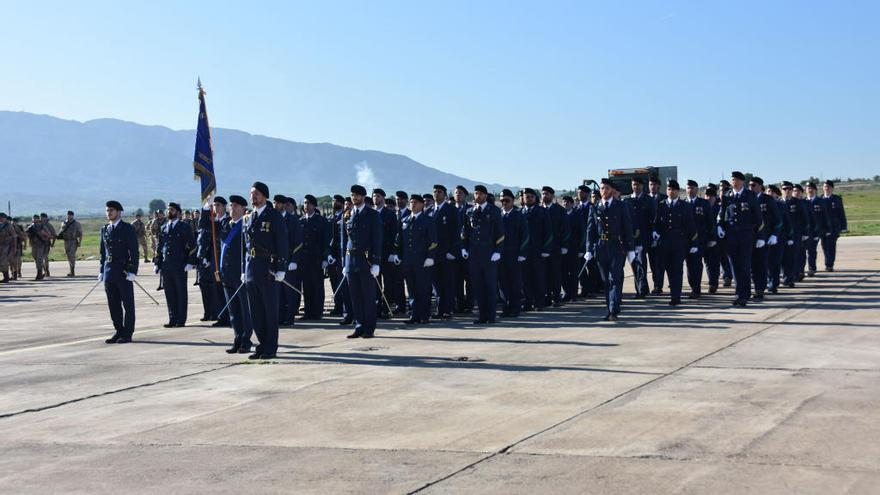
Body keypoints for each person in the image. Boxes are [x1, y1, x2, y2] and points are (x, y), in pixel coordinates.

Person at [243, 182, 289, 359]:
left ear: (264, 196)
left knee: (269, 311)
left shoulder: (274, 216)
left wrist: (281, 268)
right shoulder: (248, 217)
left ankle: (271, 346)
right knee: (256, 311)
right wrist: (243, 269)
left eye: (256, 194)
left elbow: (282, 242)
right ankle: (262, 344)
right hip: (251, 269)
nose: (253, 196)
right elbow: (244, 246)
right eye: (251, 193)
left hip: (268, 269)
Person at [585, 179, 635, 320]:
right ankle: (611, 307)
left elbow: (627, 227)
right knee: (606, 280)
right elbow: (590, 230)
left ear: (612, 190)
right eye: (602, 188)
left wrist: (630, 249)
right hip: (601, 247)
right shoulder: (594, 208)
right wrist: (589, 249)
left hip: (616, 246)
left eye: (606, 188)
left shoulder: (620, 206)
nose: (604, 191)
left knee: (614, 278)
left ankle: (613, 309)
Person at [717, 171, 763, 306]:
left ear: (742, 182)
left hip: (746, 236)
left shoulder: (750, 195)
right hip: (731, 236)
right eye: (732, 180)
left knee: (744, 265)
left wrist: (760, 236)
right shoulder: (727, 196)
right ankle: (739, 293)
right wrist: (720, 226)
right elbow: (721, 213)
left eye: (736, 180)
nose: (734, 182)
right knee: (734, 266)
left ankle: (744, 294)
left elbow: (758, 217)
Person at [344, 184, 383, 338]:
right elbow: (344, 241)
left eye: (357, 195)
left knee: (367, 296)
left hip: (366, 261)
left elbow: (377, 239)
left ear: (363, 197)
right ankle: (359, 325)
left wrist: (376, 262)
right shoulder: (348, 214)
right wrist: (344, 262)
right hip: (351, 261)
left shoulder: (372, 215)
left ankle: (369, 327)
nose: (354, 198)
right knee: (355, 297)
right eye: (352, 195)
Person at [461, 185, 504, 324]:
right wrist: (464, 248)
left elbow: (500, 233)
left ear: (485, 196)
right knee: (478, 286)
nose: (477, 196)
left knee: (490, 285)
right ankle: (482, 315)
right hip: (474, 254)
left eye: (480, 194)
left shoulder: (494, 211)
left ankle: (491, 316)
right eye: (476, 194)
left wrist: (498, 251)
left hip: (489, 253)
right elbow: (464, 233)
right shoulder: (469, 211)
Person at [391, 194, 437, 325]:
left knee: (423, 288)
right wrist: (397, 254)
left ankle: (424, 315)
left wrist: (430, 257)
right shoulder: (405, 220)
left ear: (422, 205)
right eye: (411, 202)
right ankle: (414, 314)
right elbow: (398, 240)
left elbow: (433, 241)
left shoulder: (428, 220)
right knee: (411, 289)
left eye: (416, 202)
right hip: (408, 260)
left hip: (422, 260)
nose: (413, 204)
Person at [99, 200, 139, 344]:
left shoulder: (127, 228)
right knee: (113, 304)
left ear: (119, 212)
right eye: (107, 210)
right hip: (109, 272)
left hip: (123, 272)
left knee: (128, 305)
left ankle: (128, 333)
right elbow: (103, 253)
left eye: (111, 210)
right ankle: (119, 330)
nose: (108, 213)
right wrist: (101, 271)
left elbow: (134, 251)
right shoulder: (104, 229)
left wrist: (133, 270)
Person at [654, 180, 697, 306]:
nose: (670, 192)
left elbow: (691, 225)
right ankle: (673, 292)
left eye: (673, 189)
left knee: (677, 269)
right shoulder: (661, 205)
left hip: (679, 243)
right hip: (665, 243)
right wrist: (655, 231)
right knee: (668, 269)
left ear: (677, 191)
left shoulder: (684, 205)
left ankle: (676, 296)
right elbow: (657, 222)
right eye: (668, 189)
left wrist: (694, 243)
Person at [219, 195, 253, 354]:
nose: (231, 208)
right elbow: (206, 225)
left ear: (242, 208)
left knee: (245, 310)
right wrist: (207, 207)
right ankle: (237, 338)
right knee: (233, 312)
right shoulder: (225, 224)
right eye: (230, 205)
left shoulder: (247, 224)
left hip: (241, 274)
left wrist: (247, 271)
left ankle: (246, 341)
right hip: (226, 274)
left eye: (234, 206)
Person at [154, 202, 196, 327]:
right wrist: (157, 263)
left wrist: (190, 262)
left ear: (178, 212)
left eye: (171, 210)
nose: (168, 212)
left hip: (179, 264)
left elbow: (193, 246)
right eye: (168, 210)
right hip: (167, 265)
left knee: (180, 293)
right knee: (169, 293)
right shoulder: (164, 227)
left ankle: (181, 320)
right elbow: (160, 247)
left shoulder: (184, 227)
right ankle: (172, 318)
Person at [197, 196, 230, 326]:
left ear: (224, 207)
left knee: (226, 291)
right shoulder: (214, 222)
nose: (216, 208)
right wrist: (206, 207)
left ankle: (229, 317)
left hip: (226, 262)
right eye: (214, 205)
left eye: (218, 205)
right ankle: (221, 317)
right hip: (216, 262)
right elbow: (201, 224)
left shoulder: (228, 221)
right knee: (217, 291)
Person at [299, 194, 330, 320]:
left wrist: (325, 258)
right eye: (305, 203)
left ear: (314, 205)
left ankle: (317, 311)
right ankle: (308, 311)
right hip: (304, 259)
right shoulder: (300, 221)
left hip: (317, 258)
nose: (306, 205)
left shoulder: (321, 221)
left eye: (309, 203)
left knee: (317, 286)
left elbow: (326, 241)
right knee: (306, 286)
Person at [431, 184, 459, 319]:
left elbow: (456, 232)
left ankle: (448, 309)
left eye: (439, 192)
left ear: (445, 194)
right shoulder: (429, 210)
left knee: (447, 282)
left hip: (447, 253)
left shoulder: (451, 210)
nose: (437, 194)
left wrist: (453, 251)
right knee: (436, 283)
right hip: (434, 254)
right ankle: (439, 309)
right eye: (435, 192)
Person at [749, 177, 780, 300]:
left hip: (764, 238)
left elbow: (778, 221)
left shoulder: (768, 200)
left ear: (760, 186)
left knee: (761, 265)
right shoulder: (748, 199)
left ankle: (760, 289)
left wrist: (774, 235)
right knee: (750, 265)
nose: (751, 187)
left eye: (753, 185)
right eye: (749, 185)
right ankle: (755, 287)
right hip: (749, 238)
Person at [499, 189, 528, 317]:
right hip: (500, 254)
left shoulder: (518, 215)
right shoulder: (497, 215)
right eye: (502, 201)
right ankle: (506, 307)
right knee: (502, 282)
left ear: (512, 201)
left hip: (514, 253)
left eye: (507, 200)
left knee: (515, 282)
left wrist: (522, 252)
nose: (504, 203)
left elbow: (525, 235)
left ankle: (515, 307)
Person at [521, 188, 551, 311]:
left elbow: (548, 232)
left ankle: (539, 303)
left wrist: (546, 249)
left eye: (531, 197)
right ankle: (528, 302)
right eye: (526, 196)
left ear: (535, 198)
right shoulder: (520, 212)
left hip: (538, 251)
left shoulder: (542, 212)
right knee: (525, 278)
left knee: (538, 278)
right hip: (524, 252)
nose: (528, 199)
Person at [623, 178, 654, 298]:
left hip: (643, 237)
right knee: (634, 264)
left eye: (637, 185)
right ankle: (641, 288)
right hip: (630, 238)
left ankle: (641, 290)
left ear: (642, 186)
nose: (635, 187)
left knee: (641, 264)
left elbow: (652, 219)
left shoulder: (648, 200)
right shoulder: (627, 201)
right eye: (633, 185)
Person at [541, 186, 569, 307]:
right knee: (544, 273)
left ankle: (556, 296)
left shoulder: (559, 210)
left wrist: (564, 245)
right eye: (542, 194)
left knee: (555, 273)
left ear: (552, 196)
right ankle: (546, 296)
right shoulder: (539, 210)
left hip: (555, 247)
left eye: (546, 194)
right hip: (541, 248)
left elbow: (566, 229)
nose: (544, 196)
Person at [684, 180, 712, 299]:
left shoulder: (704, 203)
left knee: (697, 264)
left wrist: (712, 237)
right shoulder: (683, 203)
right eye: (688, 188)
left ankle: (696, 288)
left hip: (700, 239)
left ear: (696, 189)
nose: (689, 190)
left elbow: (710, 222)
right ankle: (693, 286)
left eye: (692, 188)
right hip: (685, 240)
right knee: (689, 265)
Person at [277, 196, 302, 326]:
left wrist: (294, 260)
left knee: (289, 291)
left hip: (289, 260)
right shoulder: (274, 219)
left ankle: (290, 316)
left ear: (284, 205)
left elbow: (298, 242)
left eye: (278, 203)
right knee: (279, 292)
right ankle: (280, 316)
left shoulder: (292, 220)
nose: (276, 205)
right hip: (277, 262)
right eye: (274, 203)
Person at [453, 185, 474, 313]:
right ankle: (459, 305)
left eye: (460, 193)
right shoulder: (450, 210)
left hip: (468, 251)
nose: (458, 195)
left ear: (465, 195)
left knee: (470, 280)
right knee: (456, 280)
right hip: (454, 251)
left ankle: (469, 304)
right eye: (456, 193)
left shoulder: (470, 209)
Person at [766, 185, 789, 293]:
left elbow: (785, 222)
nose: (769, 193)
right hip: (765, 237)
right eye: (768, 191)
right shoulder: (764, 204)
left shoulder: (780, 205)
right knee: (765, 262)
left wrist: (789, 237)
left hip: (778, 237)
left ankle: (773, 284)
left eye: (771, 191)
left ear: (776, 194)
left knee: (775, 262)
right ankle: (767, 281)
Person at [804, 182, 831, 277]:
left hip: (817, 230)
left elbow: (826, 216)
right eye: (808, 188)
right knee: (804, 250)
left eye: (811, 188)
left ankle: (812, 268)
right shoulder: (803, 202)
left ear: (815, 190)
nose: (809, 190)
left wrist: (827, 229)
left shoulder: (820, 201)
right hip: (805, 230)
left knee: (812, 249)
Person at [561, 195, 585, 302]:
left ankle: (573, 293)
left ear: (571, 204)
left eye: (567, 202)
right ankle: (567, 292)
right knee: (564, 272)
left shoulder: (577, 215)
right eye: (564, 202)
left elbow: (582, 233)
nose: (565, 204)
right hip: (563, 248)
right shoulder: (561, 215)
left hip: (574, 248)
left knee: (574, 272)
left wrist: (581, 249)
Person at [820, 180, 847, 271]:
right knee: (824, 245)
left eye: (828, 187)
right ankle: (828, 261)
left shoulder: (837, 199)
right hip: (823, 227)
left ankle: (829, 264)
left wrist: (844, 226)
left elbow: (841, 213)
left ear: (832, 188)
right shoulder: (820, 199)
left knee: (831, 245)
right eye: (825, 187)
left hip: (834, 227)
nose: (826, 188)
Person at [646, 176, 667, 295]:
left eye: (654, 185)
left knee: (660, 263)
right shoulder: (645, 198)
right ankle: (655, 284)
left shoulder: (663, 198)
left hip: (661, 236)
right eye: (650, 184)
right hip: (648, 235)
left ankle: (658, 286)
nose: (652, 187)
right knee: (652, 263)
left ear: (658, 186)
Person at [392, 191, 411, 314]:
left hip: (408, 254)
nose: (399, 201)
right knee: (397, 282)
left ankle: (411, 306)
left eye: (401, 199)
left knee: (410, 282)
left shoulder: (410, 214)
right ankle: (400, 305)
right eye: (397, 199)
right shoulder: (393, 214)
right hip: (397, 254)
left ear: (406, 201)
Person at [702, 185, 722, 293]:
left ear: (715, 197)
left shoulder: (719, 208)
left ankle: (713, 283)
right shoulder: (702, 208)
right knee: (707, 262)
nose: (709, 198)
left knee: (714, 262)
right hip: (705, 239)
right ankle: (712, 281)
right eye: (707, 195)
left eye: (711, 196)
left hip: (717, 240)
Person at [57, 210, 83, 277]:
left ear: (73, 215)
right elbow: (61, 231)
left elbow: (80, 234)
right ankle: (71, 270)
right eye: (68, 215)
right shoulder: (63, 223)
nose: (69, 216)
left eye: (70, 215)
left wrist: (80, 242)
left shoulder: (76, 223)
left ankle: (72, 271)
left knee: (71, 255)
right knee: (68, 255)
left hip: (73, 241)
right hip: (66, 241)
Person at [26, 214, 51, 280]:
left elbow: (49, 235)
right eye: (33, 219)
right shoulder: (31, 227)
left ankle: (39, 274)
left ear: (38, 219)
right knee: (35, 258)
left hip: (41, 245)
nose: (34, 220)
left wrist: (43, 233)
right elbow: (27, 234)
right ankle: (40, 272)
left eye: (35, 218)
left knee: (39, 259)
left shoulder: (42, 226)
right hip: (34, 245)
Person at [0, 213, 15, 283]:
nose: (0, 218)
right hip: (1, 245)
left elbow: (14, 237)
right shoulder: (0, 225)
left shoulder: (8, 226)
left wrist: (14, 247)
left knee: (4, 261)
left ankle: (6, 277)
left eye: (2, 217)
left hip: (7, 246)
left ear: (5, 218)